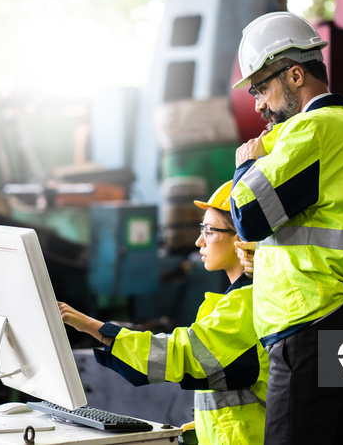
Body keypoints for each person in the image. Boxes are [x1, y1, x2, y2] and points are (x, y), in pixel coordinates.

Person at [229, 12, 343, 445]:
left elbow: (248, 216)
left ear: (296, 74)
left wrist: (247, 164)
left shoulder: (312, 130)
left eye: (262, 88)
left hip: (306, 329)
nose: (258, 105)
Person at [58, 180, 269, 445]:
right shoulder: (231, 302)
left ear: (241, 239)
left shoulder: (247, 303)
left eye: (210, 231)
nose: (198, 240)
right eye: (200, 228)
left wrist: (95, 328)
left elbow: (181, 355)